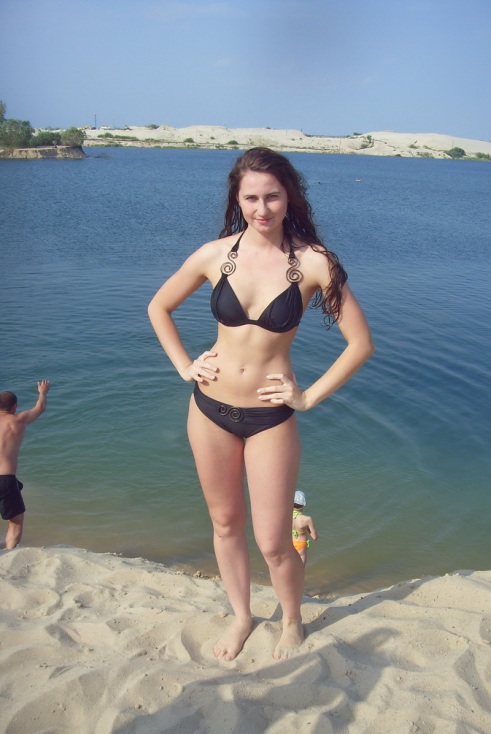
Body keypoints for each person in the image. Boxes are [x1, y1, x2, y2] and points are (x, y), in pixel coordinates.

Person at [148, 147, 374, 661]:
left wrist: (307, 396)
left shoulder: (315, 262)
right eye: (251, 197)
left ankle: (291, 619)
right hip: (208, 409)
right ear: (237, 198)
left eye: (272, 196)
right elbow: (159, 306)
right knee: (225, 525)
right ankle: (242, 616)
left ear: (289, 196)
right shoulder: (214, 255)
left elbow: (360, 343)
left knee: (273, 541)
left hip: (270, 417)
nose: (262, 208)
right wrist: (185, 365)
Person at [0, 380, 50, 550]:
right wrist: (42, 393)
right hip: (5, 479)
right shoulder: (17, 421)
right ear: (14, 407)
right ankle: (9, 553)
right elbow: (40, 408)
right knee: (15, 521)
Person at [292, 490, 317, 565]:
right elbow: (315, 537)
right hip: (301, 545)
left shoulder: (287, 515)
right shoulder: (307, 519)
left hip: (290, 544)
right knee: (300, 568)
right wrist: (307, 529)